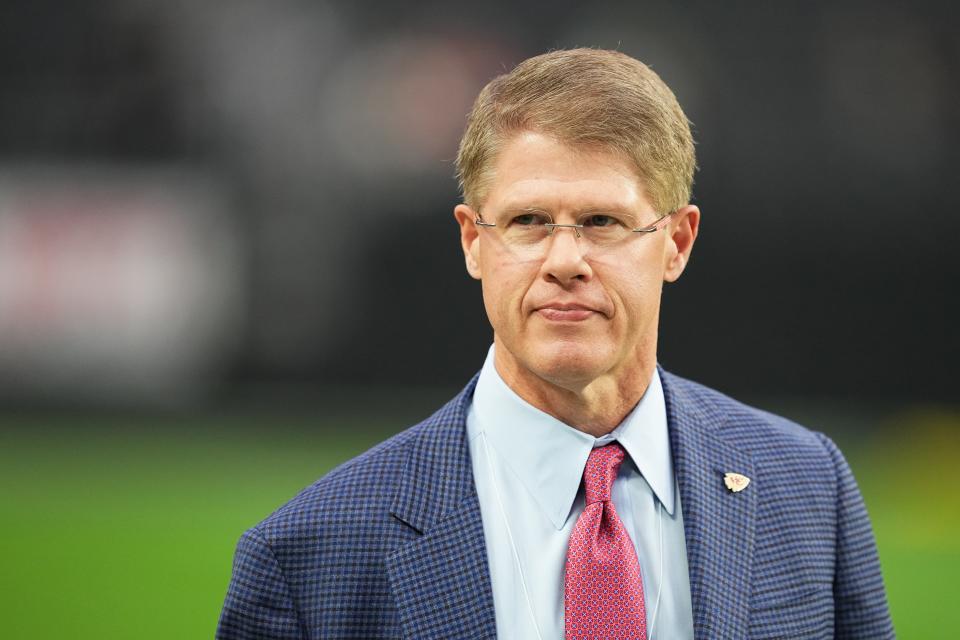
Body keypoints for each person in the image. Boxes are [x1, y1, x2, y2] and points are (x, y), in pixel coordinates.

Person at [216, 48, 893, 639]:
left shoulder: (808, 490)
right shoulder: (310, 553)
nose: (564, 258)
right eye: (528, 220)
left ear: (677, 242)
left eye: (603, 221)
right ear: (473, 242)